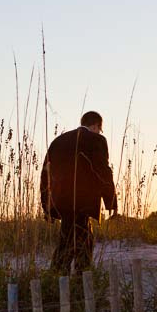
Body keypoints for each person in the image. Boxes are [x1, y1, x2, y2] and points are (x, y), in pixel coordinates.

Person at [41, 111, 118, 275]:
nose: (99, 132)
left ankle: (70, 277)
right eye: (99, 129)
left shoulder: (58, 141)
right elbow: (103, 171)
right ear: (97, 125)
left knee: (76, 238)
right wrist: (110, 201)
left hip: (60, 200)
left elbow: (45, 173)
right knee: (76, 240)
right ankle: (74, 278)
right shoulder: (96, 140)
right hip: (82, 200)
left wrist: (46, 204)